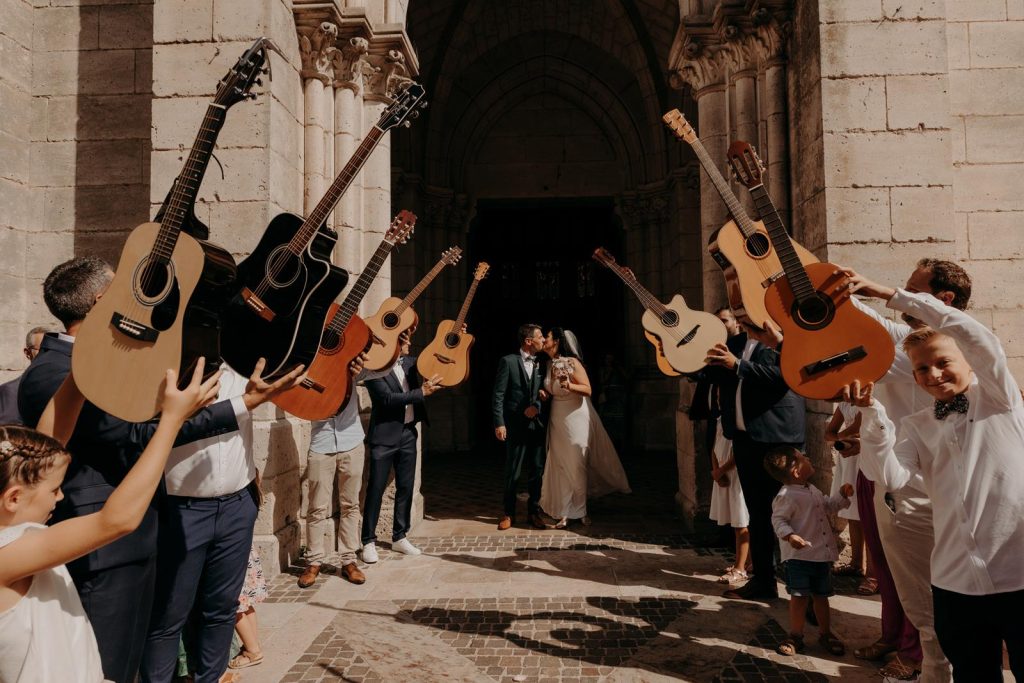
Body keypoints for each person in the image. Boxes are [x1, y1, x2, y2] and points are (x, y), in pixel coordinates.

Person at [16, 257, 255, 683]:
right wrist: (237, 405)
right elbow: (131, 436)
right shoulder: (52, 371)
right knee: (108, 664)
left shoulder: (102, 362)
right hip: (103, 550)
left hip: (135, 536)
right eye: (123, 290)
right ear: (102, 300)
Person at [843, 278, 1022, 682]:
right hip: (955, 583)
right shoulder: (917, 425)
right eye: (922, 368)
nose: (933, 374)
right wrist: (872, 414)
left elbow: (973, 333)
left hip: (1018, 575)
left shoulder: (1000, 399)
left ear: (970, 361)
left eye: (943, 362)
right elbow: (888, 475)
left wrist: (892, 296)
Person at [0, 360, 220, 682]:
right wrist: (171, 421)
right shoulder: (8, 552)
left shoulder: (14, 526)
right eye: (55, 489)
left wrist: (84, 369)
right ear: (14, 498)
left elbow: (51, 440)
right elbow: (116, 521)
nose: (60, 498)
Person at [838, 259, 968, 682]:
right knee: (888, 566)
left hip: (927, 487)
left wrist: (875, 292)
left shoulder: (952, 346)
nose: (903, 294)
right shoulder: (909, 339)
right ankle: (895, 636)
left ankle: (919, 656)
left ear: (944, 299)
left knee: (922, 582)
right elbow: (870, 321)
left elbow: (874, 347)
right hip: (891, 468)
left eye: (913, 289)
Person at [141, 361, 303, 683]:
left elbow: (302, 363)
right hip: (181, 507)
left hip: (237, 505)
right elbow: (152, 433)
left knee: (222, 610)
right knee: (168, 616)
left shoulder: (247, 364)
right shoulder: (164, 371)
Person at [707, 320, 806, 601]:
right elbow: (712, 376)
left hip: (778, 438)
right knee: (758, 514)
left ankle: (805, 589)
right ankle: (764, 580)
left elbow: (785, 377)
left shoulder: (786, 339)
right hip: (744, 438)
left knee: (790, 512)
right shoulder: (735, 342)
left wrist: (737, 365)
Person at [298, 342, 403, 589]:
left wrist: (393, 346)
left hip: (351, 440)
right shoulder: (308, 366)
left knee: (351, 504)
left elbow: (380, 370)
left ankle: (348, 560)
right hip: (321, 442)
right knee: (316, 507)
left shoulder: (350, 366)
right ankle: (313, 561)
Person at [765, 446, 853, 657]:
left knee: (822, 596)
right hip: (800, 558)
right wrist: (789, 536)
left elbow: (828, 506)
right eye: (804, 458)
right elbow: (778, 519)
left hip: (820, 556)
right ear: (796, 471)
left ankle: (825, 633)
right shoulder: (786, 495)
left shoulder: (811, 489)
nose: (809, 458)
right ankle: (795, 635)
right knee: (799, 597)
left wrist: (841, 496)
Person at [537, 328, 630, 528]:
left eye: (548, 336)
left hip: (576, 416)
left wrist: (569, 385)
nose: (544, 339)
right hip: (557, 417)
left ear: (557, 342)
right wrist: (544, 393)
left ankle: (580, 510)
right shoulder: (547, 364)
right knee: (561, 464)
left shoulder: (573, 363)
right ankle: (564, 510)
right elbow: (550, 388)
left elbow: (587, 389)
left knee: (577, 461)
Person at [360, 338, 443, 561]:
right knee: (375, 489)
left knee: (405, 487)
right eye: (403, 341)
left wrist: (458, 336)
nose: (408, 343)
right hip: (384, 437)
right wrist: (420, 393)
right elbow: (386, 399)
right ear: (392, 345)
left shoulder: (410, 363)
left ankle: (399, 536)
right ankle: (368, 541)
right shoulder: (373, 369)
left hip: (408, 434)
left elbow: (437, 360)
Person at [492, 323, 547, 531]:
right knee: (512, 471)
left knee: (537, 471)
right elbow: (498, 395)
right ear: (528, 341)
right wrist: (500, 422)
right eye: (540, 337)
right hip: (514, 425)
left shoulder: (541, 363)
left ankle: (534, 512)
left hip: (536, 426)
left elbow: (543, 392)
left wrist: (538, 405)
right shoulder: (508, 362)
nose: (543, 340)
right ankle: (508, 513)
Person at [824, 405, 869, 585]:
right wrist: (842, 438)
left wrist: (839, 437)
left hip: (862, 454)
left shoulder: (864, 402)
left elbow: (857, 427)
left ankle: (870, 570)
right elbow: (828, 432)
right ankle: (856, 562)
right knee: (853, 513)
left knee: (865, 512)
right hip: (848, 458)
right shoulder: (844, 404)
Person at [708, 420, 750, 585]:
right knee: (735, 521)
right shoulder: (720, 420)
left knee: (741, 521)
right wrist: (716, 471)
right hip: (722, 473)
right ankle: (746, 562)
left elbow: (739, 452)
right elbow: (714, 447)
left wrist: (721, 470)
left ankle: (740, 568)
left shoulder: (739, 421)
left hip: (736, 474)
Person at [226, 543, 269, 671]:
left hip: (229, 553)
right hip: (242, 548)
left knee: (233, 606)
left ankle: (253, 651)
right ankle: (251, 645)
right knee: (246, 602)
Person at [0, 326, 48, 425]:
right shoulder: (11, 391)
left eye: (52, 350)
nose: (49, 355)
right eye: (42, 349)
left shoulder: (64, 387)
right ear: (28, 353)